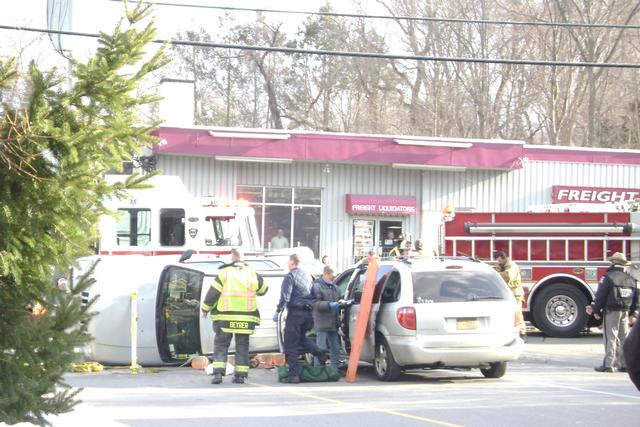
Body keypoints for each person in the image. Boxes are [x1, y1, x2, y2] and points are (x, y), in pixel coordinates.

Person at [201, 249, 268, 385]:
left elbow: (213, 293)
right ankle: (240, 376)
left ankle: (218, 375)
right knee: (242, 346)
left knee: (221, 345)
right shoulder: (252, 273)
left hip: (225, 317)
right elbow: (263, 290)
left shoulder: (224, 272)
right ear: (243, 258)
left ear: (232, 258)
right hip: (246, 318)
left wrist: (205, 309)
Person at [274, 254, 328, 383]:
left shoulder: (290, 276)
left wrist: (278, 311)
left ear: (292, 262)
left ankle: (294, 375)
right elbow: (315, 295)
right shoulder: (307, 276)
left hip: (295, 314)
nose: (287, 263)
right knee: (301, 338)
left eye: (288, 261)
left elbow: (285, 297)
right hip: (308, 315)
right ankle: (319, 352)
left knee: (290, 344)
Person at [586, 252, 638, 372]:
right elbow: (635, 298)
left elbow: (601, 295)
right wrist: (633, 313)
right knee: (624, 338)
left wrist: (595, 309)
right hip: (625, 311)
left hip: (611, 311)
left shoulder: (608, 277)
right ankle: (624, 364)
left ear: (613, 262)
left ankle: (609, 364)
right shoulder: (631, 279)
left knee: (611, 337)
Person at [310, 265, 341, 370]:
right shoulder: (316, 286)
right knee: (321, 347)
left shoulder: (335, 287)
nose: (334, 278)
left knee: (335, 347)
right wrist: (329, 304)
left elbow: (338, 299)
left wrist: (342, 303)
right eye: (333, 276)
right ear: (326, 274)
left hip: (333, 322)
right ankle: (318, 370)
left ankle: (334, 369)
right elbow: (315, 303)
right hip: (322, 321)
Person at [495, 251, 526, 338]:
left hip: (516, 294)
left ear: (504, 258)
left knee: (518, 314)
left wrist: (496, 274)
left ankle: (522, 333)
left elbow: (508, 276)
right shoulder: (503, 266)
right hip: (508, 294)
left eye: (499, 260)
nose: (498, 262)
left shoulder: (512, 266)